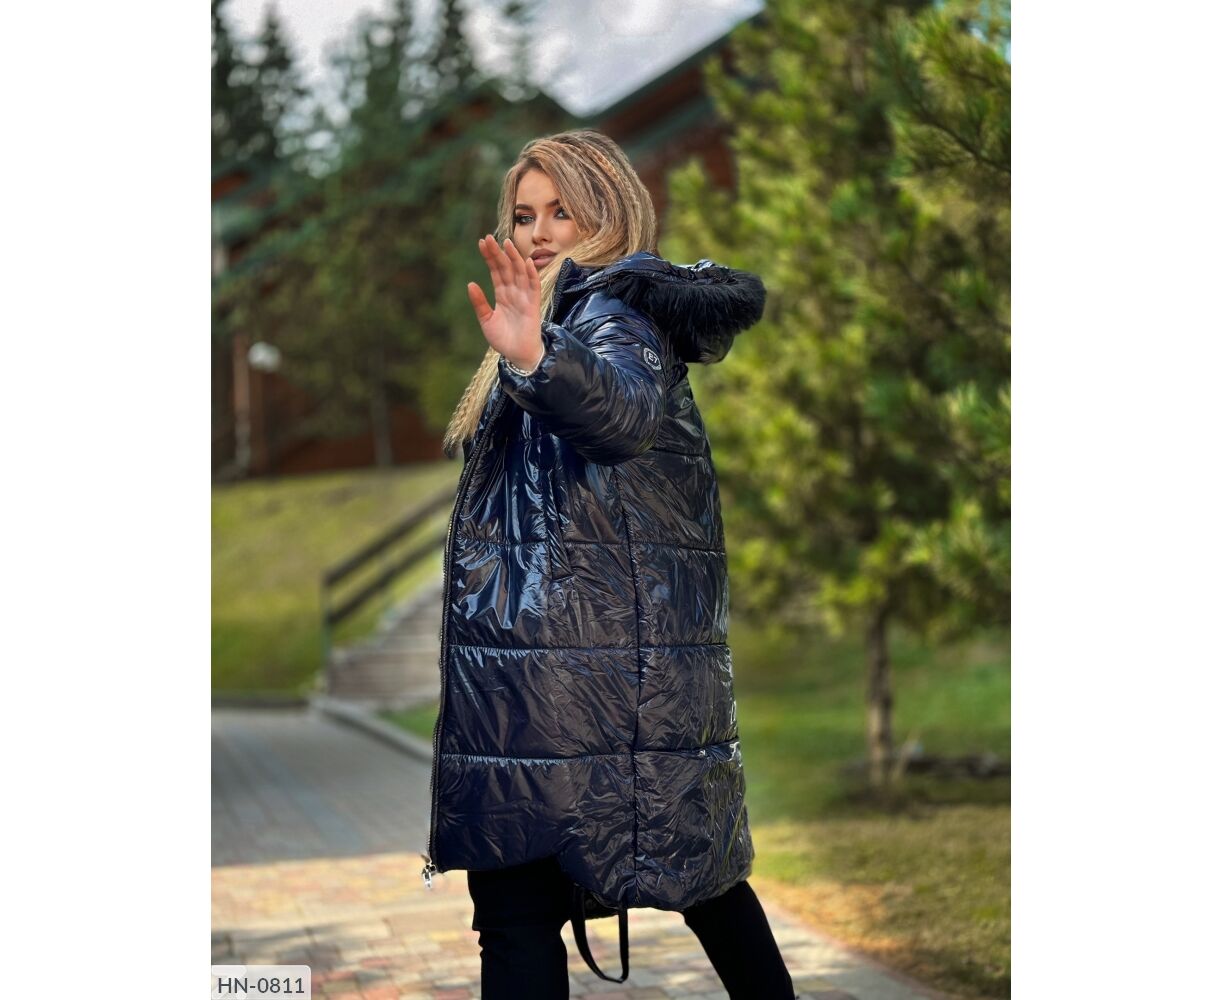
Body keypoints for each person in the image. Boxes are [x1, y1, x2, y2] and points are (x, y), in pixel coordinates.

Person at [420, 129, 797, 1000]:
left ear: (611, 211)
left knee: (678, 889)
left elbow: (619, 415)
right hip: (538, 691)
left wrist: (534, 357)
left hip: (602, 691)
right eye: (523, 215)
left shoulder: (616, 313)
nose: (538, 232)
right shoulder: (555, 319)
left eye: (561, 211)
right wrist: (529, 349)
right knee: (560, 905)